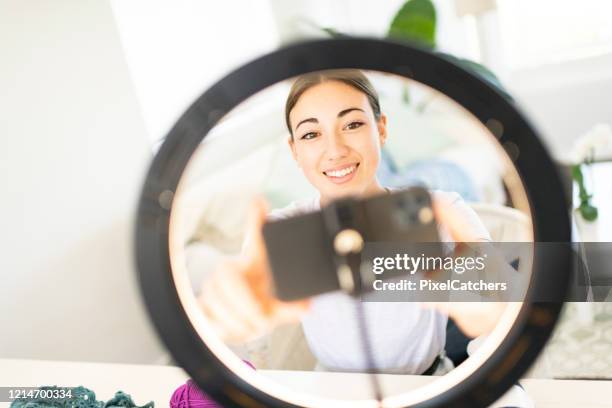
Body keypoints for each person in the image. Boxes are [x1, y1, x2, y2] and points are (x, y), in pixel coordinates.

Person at [198, 69, 505, 375]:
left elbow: (500, 311)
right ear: (294, 150)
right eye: (311, 134)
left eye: (353, 124)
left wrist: (490, 310)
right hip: (333, 394)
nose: (335, 150)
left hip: (431, 386)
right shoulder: (279, 232)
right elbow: (248, 327)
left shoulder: (444, 212)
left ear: (381, 129)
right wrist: (229, 318)